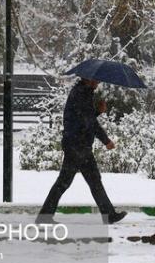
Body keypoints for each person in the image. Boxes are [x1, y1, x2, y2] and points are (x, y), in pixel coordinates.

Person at [36, 77, 127, 225]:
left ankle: (109, 214)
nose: (98, 83)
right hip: (76, 146)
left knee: (92, 180)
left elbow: (85, 118)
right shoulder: (80, 94)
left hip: (80, 145)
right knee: (65, 182)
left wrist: (97, 111)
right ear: (88, 79)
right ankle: (44, 217)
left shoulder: (84, 93)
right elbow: (88, 122)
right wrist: (106, 140)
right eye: (96, 81)